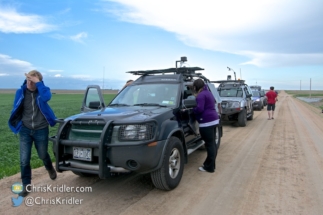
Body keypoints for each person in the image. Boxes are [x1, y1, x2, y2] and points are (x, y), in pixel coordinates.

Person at [8, 70, 57, 197]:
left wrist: (39, 84)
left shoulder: (42, 93)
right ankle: (26, 185)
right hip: (25, 130)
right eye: (28, 79)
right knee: (24, 159)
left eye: (33, 80)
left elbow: (47, 97)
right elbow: (16, 108)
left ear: (38, 82)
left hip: (41, 129)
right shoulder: (21, 92)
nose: (30, 82)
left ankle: (49, 167)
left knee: (42, 154)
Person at [192, 79, 220, 173]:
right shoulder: (208, 93)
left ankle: (209, 167)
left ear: (196, 87)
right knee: (212, 144)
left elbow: (199, 109)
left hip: (206, 122)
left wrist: (193, 110)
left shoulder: (201, 95)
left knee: (209, 145)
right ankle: (211, 165)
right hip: (214, 120)